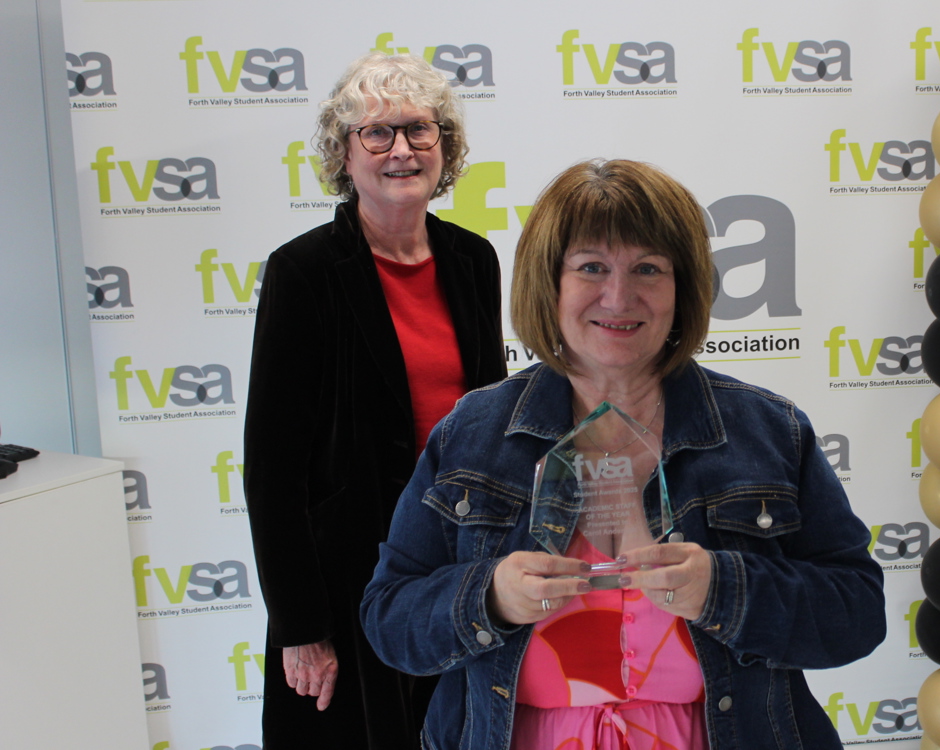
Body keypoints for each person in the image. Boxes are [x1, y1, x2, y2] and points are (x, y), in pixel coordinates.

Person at [360, 158, 885, 750]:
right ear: (549, 283)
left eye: (648, 268)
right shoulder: (474, 433)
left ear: (683, 287)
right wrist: (491, 596)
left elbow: (857, 613)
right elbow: (389, 617)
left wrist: (725, 587)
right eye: (591, 267)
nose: (619, 296)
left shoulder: (768, 430)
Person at [244, 53, 507, 749]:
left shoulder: (473, 259)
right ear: (344, 153)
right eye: (377, 133)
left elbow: (490, 423)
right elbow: (273, 470)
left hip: (459, 563)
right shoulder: (304, 272)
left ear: (444, 147)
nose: (401, 150)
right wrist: (302, 628)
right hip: (348, 579)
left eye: (419, 130)